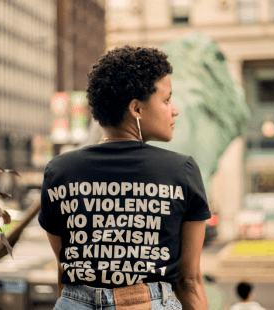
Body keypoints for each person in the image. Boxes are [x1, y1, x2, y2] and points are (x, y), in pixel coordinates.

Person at [38, 46, 211, 310]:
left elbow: (66, 271)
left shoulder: (59, 172)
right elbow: (189, 280)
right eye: (166, 100)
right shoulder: (181, 171)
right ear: (136, 109)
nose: (174, 111)